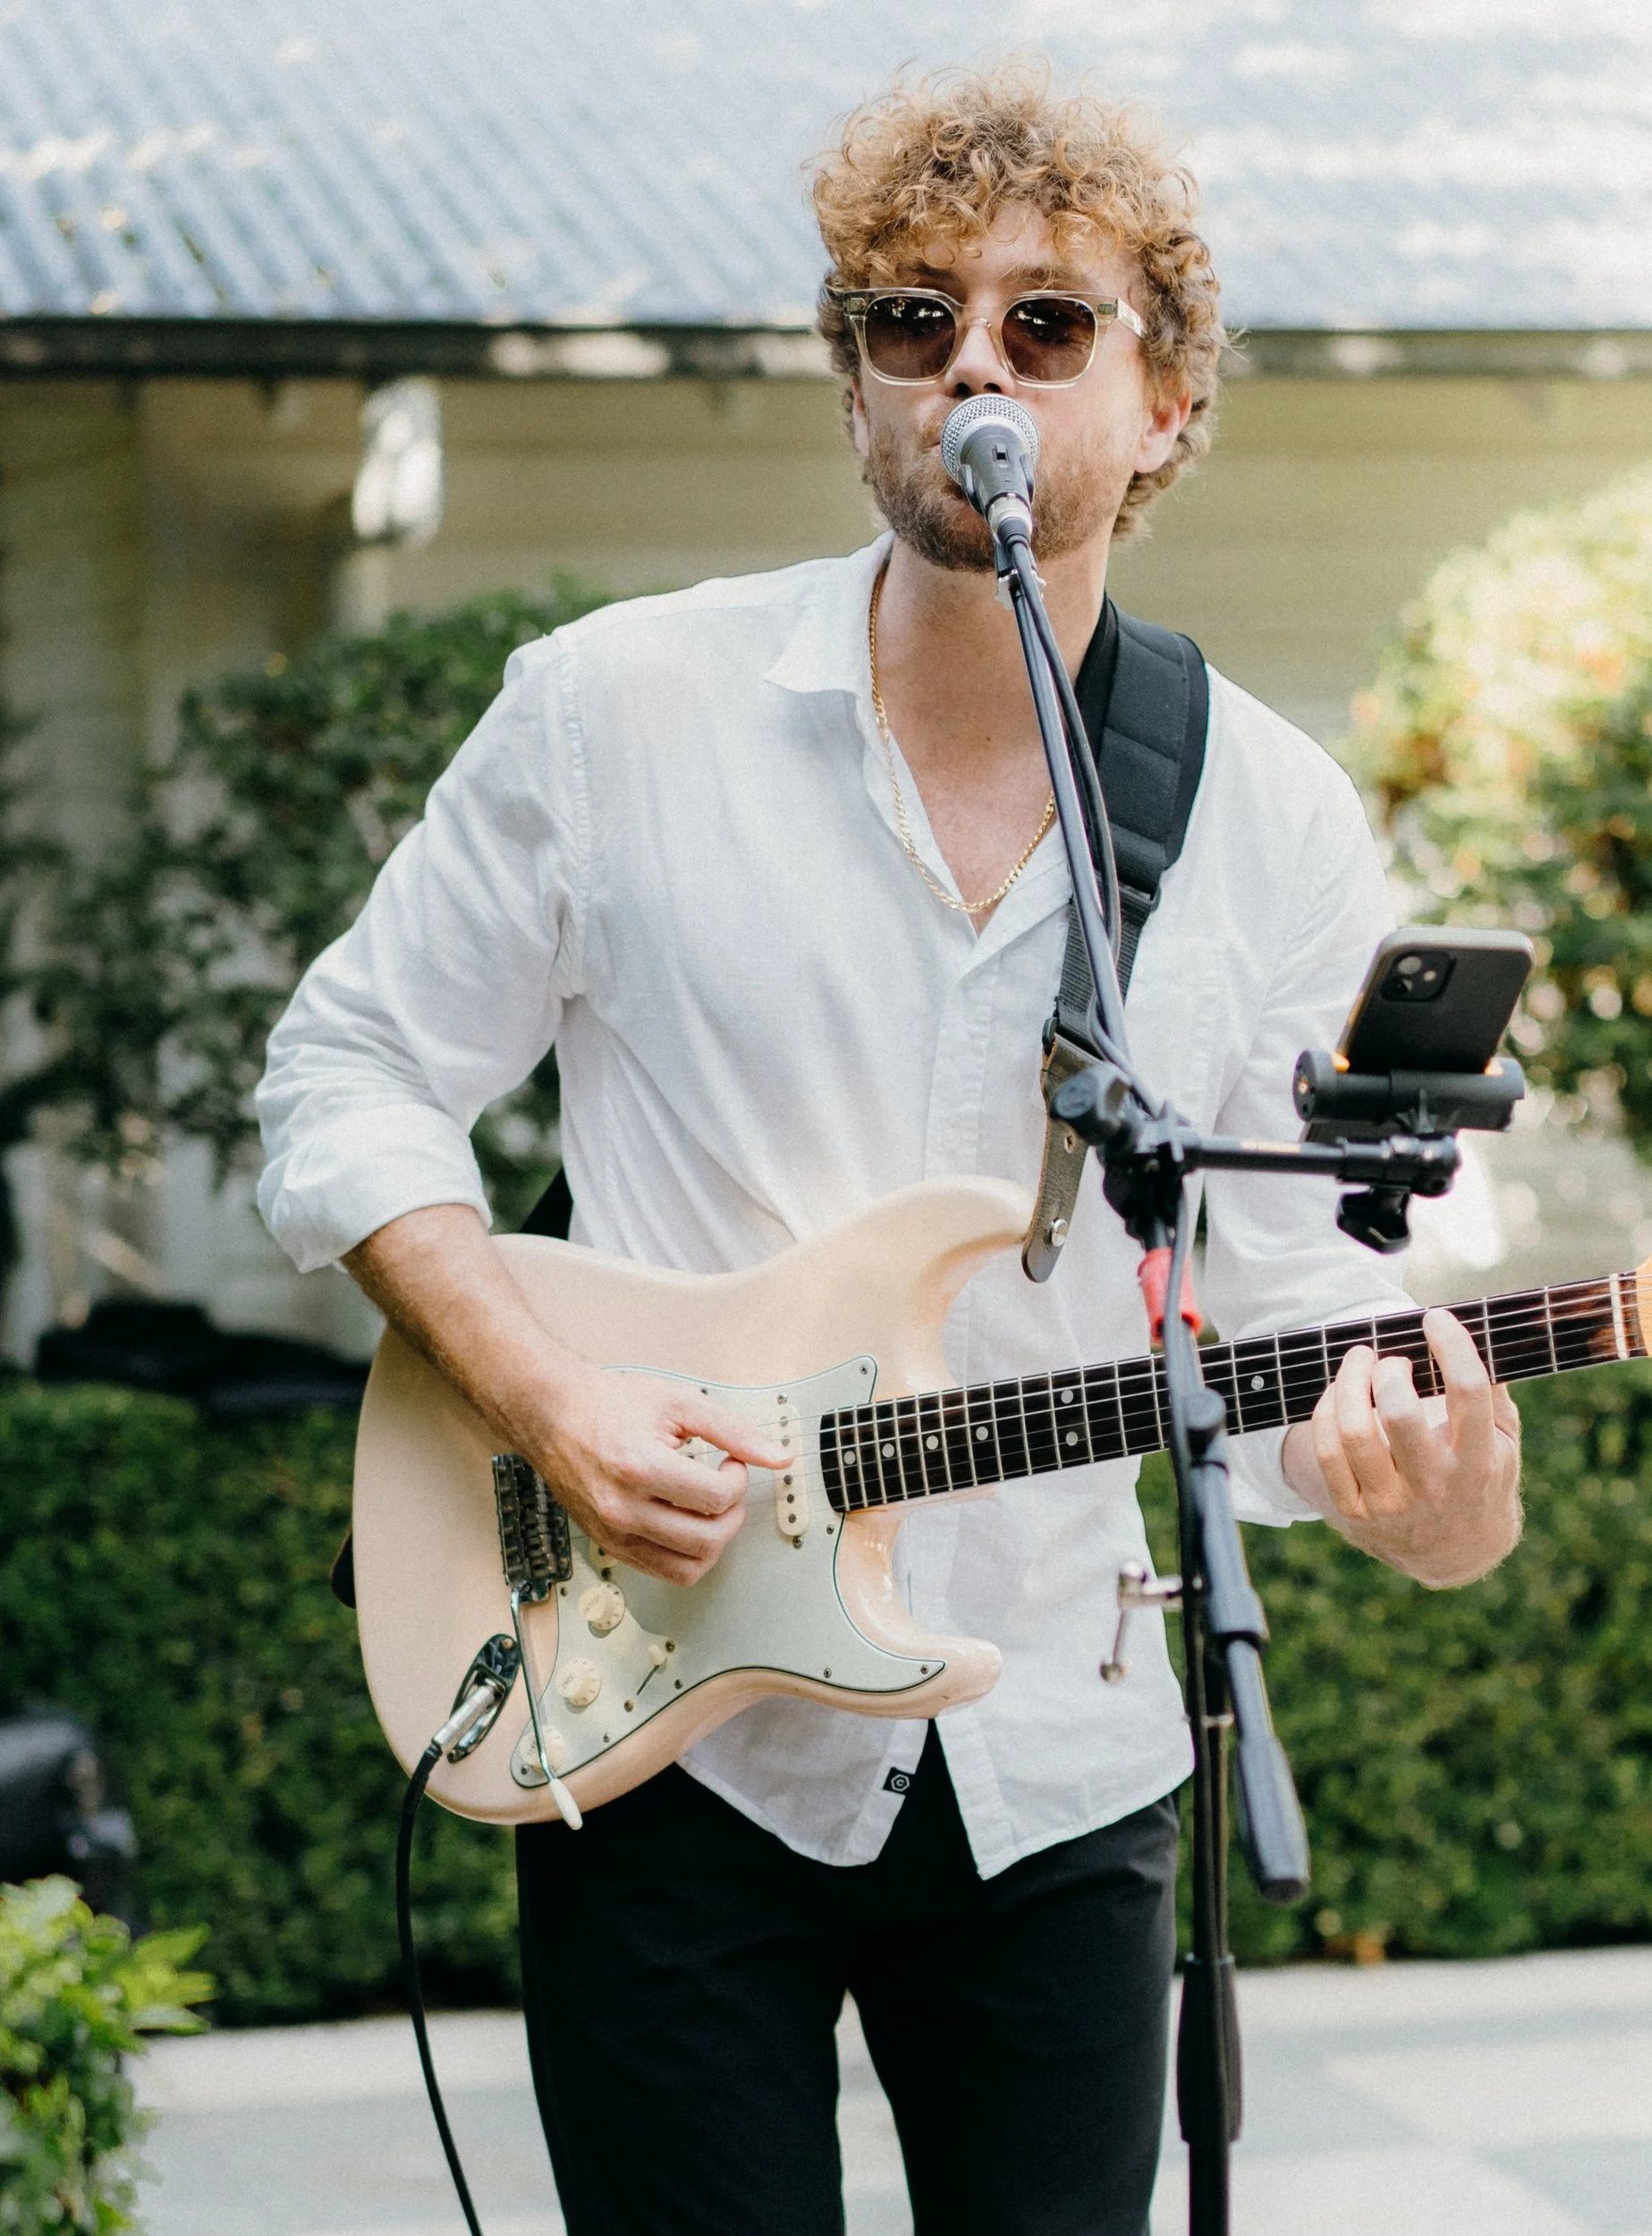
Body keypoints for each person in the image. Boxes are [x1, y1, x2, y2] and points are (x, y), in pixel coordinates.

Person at [256, 62, 1522, 2236]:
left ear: (1168, 400)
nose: (972, 370)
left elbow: (1294, 1325)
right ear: (850, 386)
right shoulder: (608, 709)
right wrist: (546, 1396)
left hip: (1059, 1755)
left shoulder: (1273, 816)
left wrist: (1436, 1501)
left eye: (1048, 325)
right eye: (908, 318)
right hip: (656, 1724)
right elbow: (345, 1067)